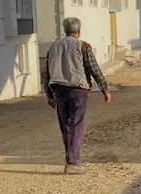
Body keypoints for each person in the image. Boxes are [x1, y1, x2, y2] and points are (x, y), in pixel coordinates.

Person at [42, 17, 112, 174]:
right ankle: (73, 162)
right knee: (76, 124)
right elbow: (94, 69)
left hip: (59, 90)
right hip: (78, 90)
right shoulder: (83, 46)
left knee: (65, 126)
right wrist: (105, 89)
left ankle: (71, 159)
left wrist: (49, 95)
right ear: (78, 32)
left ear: (65, 30)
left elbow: (46, 74)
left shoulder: (53, 47)